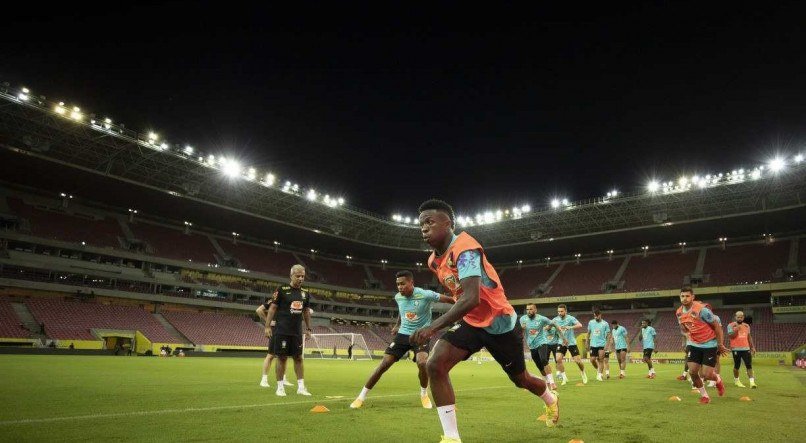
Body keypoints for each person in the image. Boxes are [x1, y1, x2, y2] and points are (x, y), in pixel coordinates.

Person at [409, 199, 560, 442]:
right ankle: (451, 437)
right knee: (435, 364)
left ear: (448, 224)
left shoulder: (465, 249)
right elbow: (460, 295)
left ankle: (550, 398)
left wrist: (432, 327)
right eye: (421, 224)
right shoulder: (433, 261)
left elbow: (470, 298)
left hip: (498, 322)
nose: (424, 228)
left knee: (520, 380)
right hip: (471, 322)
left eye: (429, 222)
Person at [350, 270, 454, 409]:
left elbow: (450, 300)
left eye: (403, 284)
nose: (399, 287)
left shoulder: (425, 294)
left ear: (411, 283)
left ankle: (423, 394)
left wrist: (465, 303)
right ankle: (361, 397)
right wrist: (398, 324)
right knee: (384, 364)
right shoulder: (398, 297)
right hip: (403, 334)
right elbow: (402, 310)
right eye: (398, 284)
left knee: (422, 363)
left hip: (420, 335)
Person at [263, 265, 313, 396]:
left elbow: (306, 312)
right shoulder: (282, 290)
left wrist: (308, 328)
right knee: (282, 358)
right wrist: (267, 326)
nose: (301, 278)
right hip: (282, 330)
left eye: (302, 276)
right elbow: (272, 308)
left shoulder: (305, 293)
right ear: (291, 275)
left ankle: (301, 387)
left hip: (296, 332)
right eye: (298, 276)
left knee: (298, 358)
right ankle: (280, 387)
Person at [676, 286, 728, 404]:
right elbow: (683, 328)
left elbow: (717, 327)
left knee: (706, 374)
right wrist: (687, 335)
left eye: (687, 296)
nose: (684, 298)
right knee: (693, 372)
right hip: (694, 344)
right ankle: (705, 396)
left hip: (709, 344)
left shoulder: (702, 310)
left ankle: (718, 379)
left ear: (693, 297)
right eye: (682, 296)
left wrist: (720, 344)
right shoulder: (679, 312)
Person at [256, 298, 293, 389]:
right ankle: (264, 380)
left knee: (284, 356)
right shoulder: (273, 301)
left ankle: (283, 379)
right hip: (275, 330)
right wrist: (268, 321)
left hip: (285, 330)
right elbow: (259, 310)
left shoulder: (289, 301)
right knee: (271, 355)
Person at [520, 303, 557, 390]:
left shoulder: (541, 318)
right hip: (532, 345)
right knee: (539, 366)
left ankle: (552, 382)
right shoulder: (522, 319)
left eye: (531, 309)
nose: (529, 311)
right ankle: (547, 381)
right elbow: (522, 332)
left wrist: (548, 327)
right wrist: (522, 329)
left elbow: (553, 323)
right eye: (527, 309)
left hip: (542, 342)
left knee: (544, 360)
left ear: (535, 310)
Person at [553, 304, 587, 384]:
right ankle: (564, 378)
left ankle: (583, 373)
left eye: (561, 311)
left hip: (571, 343)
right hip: (561, 342)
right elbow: (549, 325)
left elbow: (580, 325)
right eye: (558, 311)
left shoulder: (571, 318)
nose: (560, 313)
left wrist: (570, 327)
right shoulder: (555, 319)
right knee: (558, 359)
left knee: (578, 361)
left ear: (565, 311)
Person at [728, 311, 757, 388]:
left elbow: (749, 337)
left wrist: (752, 347)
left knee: (749, 365)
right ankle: (737, 381)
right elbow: (731, 336)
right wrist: (736, 329)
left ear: (743, 317)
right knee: (736, 366)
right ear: (735, 317)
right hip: (736, 349)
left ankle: (752, 382)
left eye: (741, 317)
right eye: (738, 317)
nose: (739, 318)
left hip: (746, 348)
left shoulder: (747, 326)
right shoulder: (731, 325)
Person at [586, 310, 610, 382]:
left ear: (600, 315)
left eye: (597, 316)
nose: (595, 317)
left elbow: (609, 335)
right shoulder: (591, 322)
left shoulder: (605, 324)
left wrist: (607, 345)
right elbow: (588, 333)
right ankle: (598, 370)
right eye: (594, 316)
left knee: (601, 359)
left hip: (602, 344)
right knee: (592, 360)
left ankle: (599, 375)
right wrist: (587, 342)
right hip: (593, 344)